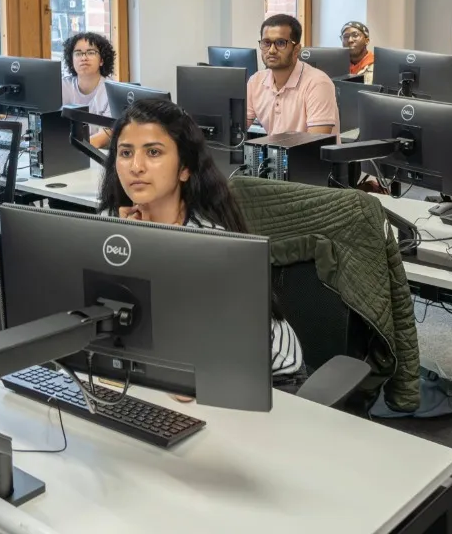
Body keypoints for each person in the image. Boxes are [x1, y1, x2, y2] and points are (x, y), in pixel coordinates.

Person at [98, 98, 303, 381]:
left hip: (270, 376)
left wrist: (144, 255)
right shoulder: (114, 223)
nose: (136, 166)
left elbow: (209, 348)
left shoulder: (211, 244)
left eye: (154, 152)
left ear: (185, 169)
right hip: (178, 364)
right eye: (125, 152)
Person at [247, 14, 339, 137]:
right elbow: (236, 130)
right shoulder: (256, 81)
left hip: (307, 155)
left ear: (296, 49)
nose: (272, 50)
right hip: (277, 154)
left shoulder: (318, 83)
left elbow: (315, 145)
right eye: (266, 43)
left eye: (280, 43)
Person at [62, 31, 116, 149]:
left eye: (91, 52)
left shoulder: (111, 90)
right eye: (78, 53)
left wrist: (77, 146)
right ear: (71, 60)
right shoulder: (63, 86)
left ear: (101, 60)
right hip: (65, 151)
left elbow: (108, 132)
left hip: (98, 151)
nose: (84, 58)